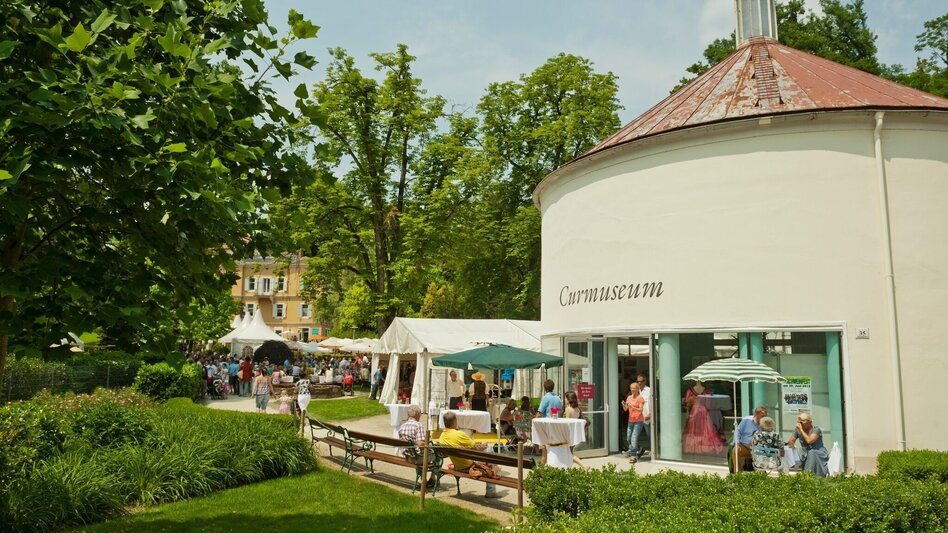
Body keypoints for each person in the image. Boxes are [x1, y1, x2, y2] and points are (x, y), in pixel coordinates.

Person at [439, 411, 499, 498]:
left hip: (458, 466)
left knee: (489, 456)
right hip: (469, 465)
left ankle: (495, 468)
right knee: (489, 449)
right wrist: (485, 444)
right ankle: (491, 490)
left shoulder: (442, 437)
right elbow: (476, 448)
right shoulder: (459, 434)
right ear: (455, 422)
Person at [397, 406, 437, 488]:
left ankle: (424, 479)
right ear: (417, 414)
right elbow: (420, 444)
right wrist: (430, 447)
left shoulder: (402, 426)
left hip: (407, 456)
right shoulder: (418, 425)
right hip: (417, 458)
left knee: (423, 452)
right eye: (420, 414)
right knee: (438, 454)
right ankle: (432, 479)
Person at [682, 380, 724, 455]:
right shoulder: (706, 391)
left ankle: (695, 446)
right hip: (703, 411)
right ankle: (702, 446)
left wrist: (692, 402)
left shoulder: (690, 390)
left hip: (694, 412)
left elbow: (686, 403)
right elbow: (708, 404)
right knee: (705, 430)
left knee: (694, 431)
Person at [787, 412, 829, 477]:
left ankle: (809, 477)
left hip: (819, 453)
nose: (801, 424)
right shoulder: (797, 430)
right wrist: (792, 446)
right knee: (808, 454)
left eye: (802, 422)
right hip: (806, 454)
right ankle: (807, 477)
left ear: (809, 422)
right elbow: (791, 441)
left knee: (811, 453)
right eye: (799, 422)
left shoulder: (816, 429)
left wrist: (801, 430)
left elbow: (809, 441)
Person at [731, 405, 768, 472]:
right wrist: (737, 443)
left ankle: (761, 473)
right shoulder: (746, 420)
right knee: (735, 450)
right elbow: (738, 431)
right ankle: (738, 472)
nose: (764, 418)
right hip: (745, 446)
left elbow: (768, 437)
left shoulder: (766, 423)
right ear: (756, 414)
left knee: (761, 452)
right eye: (762, 416)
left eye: (765, 416)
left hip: (758, 448)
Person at [563, 391, 590, 470]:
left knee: (569, 454)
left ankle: (584, 466)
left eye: (565, 398)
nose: (564, 399)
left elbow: (567, 423)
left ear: (569, 399)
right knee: (569, 453)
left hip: (568, 434)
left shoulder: (568, 409)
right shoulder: (577, 409)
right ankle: (568, 468)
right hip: (574, 433)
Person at [621, 383, 645, 463]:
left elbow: (641, 409)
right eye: (631, 388)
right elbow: (626, 409)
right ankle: (639, 448)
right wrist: (624, 404)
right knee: (628, 439)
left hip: (638, 421)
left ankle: (633, 456)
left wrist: (633, 407)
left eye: (634, 388)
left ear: (638, 389)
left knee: (633, 438)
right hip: (630, 420)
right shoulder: (629, 397)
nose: (632, 390)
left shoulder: (640, 398)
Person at [636, 374, 652, 457]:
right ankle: (637, 449)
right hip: (637, 417)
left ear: (645, 381)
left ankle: (652, 449)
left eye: (641, 381)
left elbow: (653, 402)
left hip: (646, 416)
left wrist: (650, 413)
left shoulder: (649, 390)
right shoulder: (635, 390)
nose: (639, 383)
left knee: (649, 434)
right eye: (638, 381)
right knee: (635, 434)